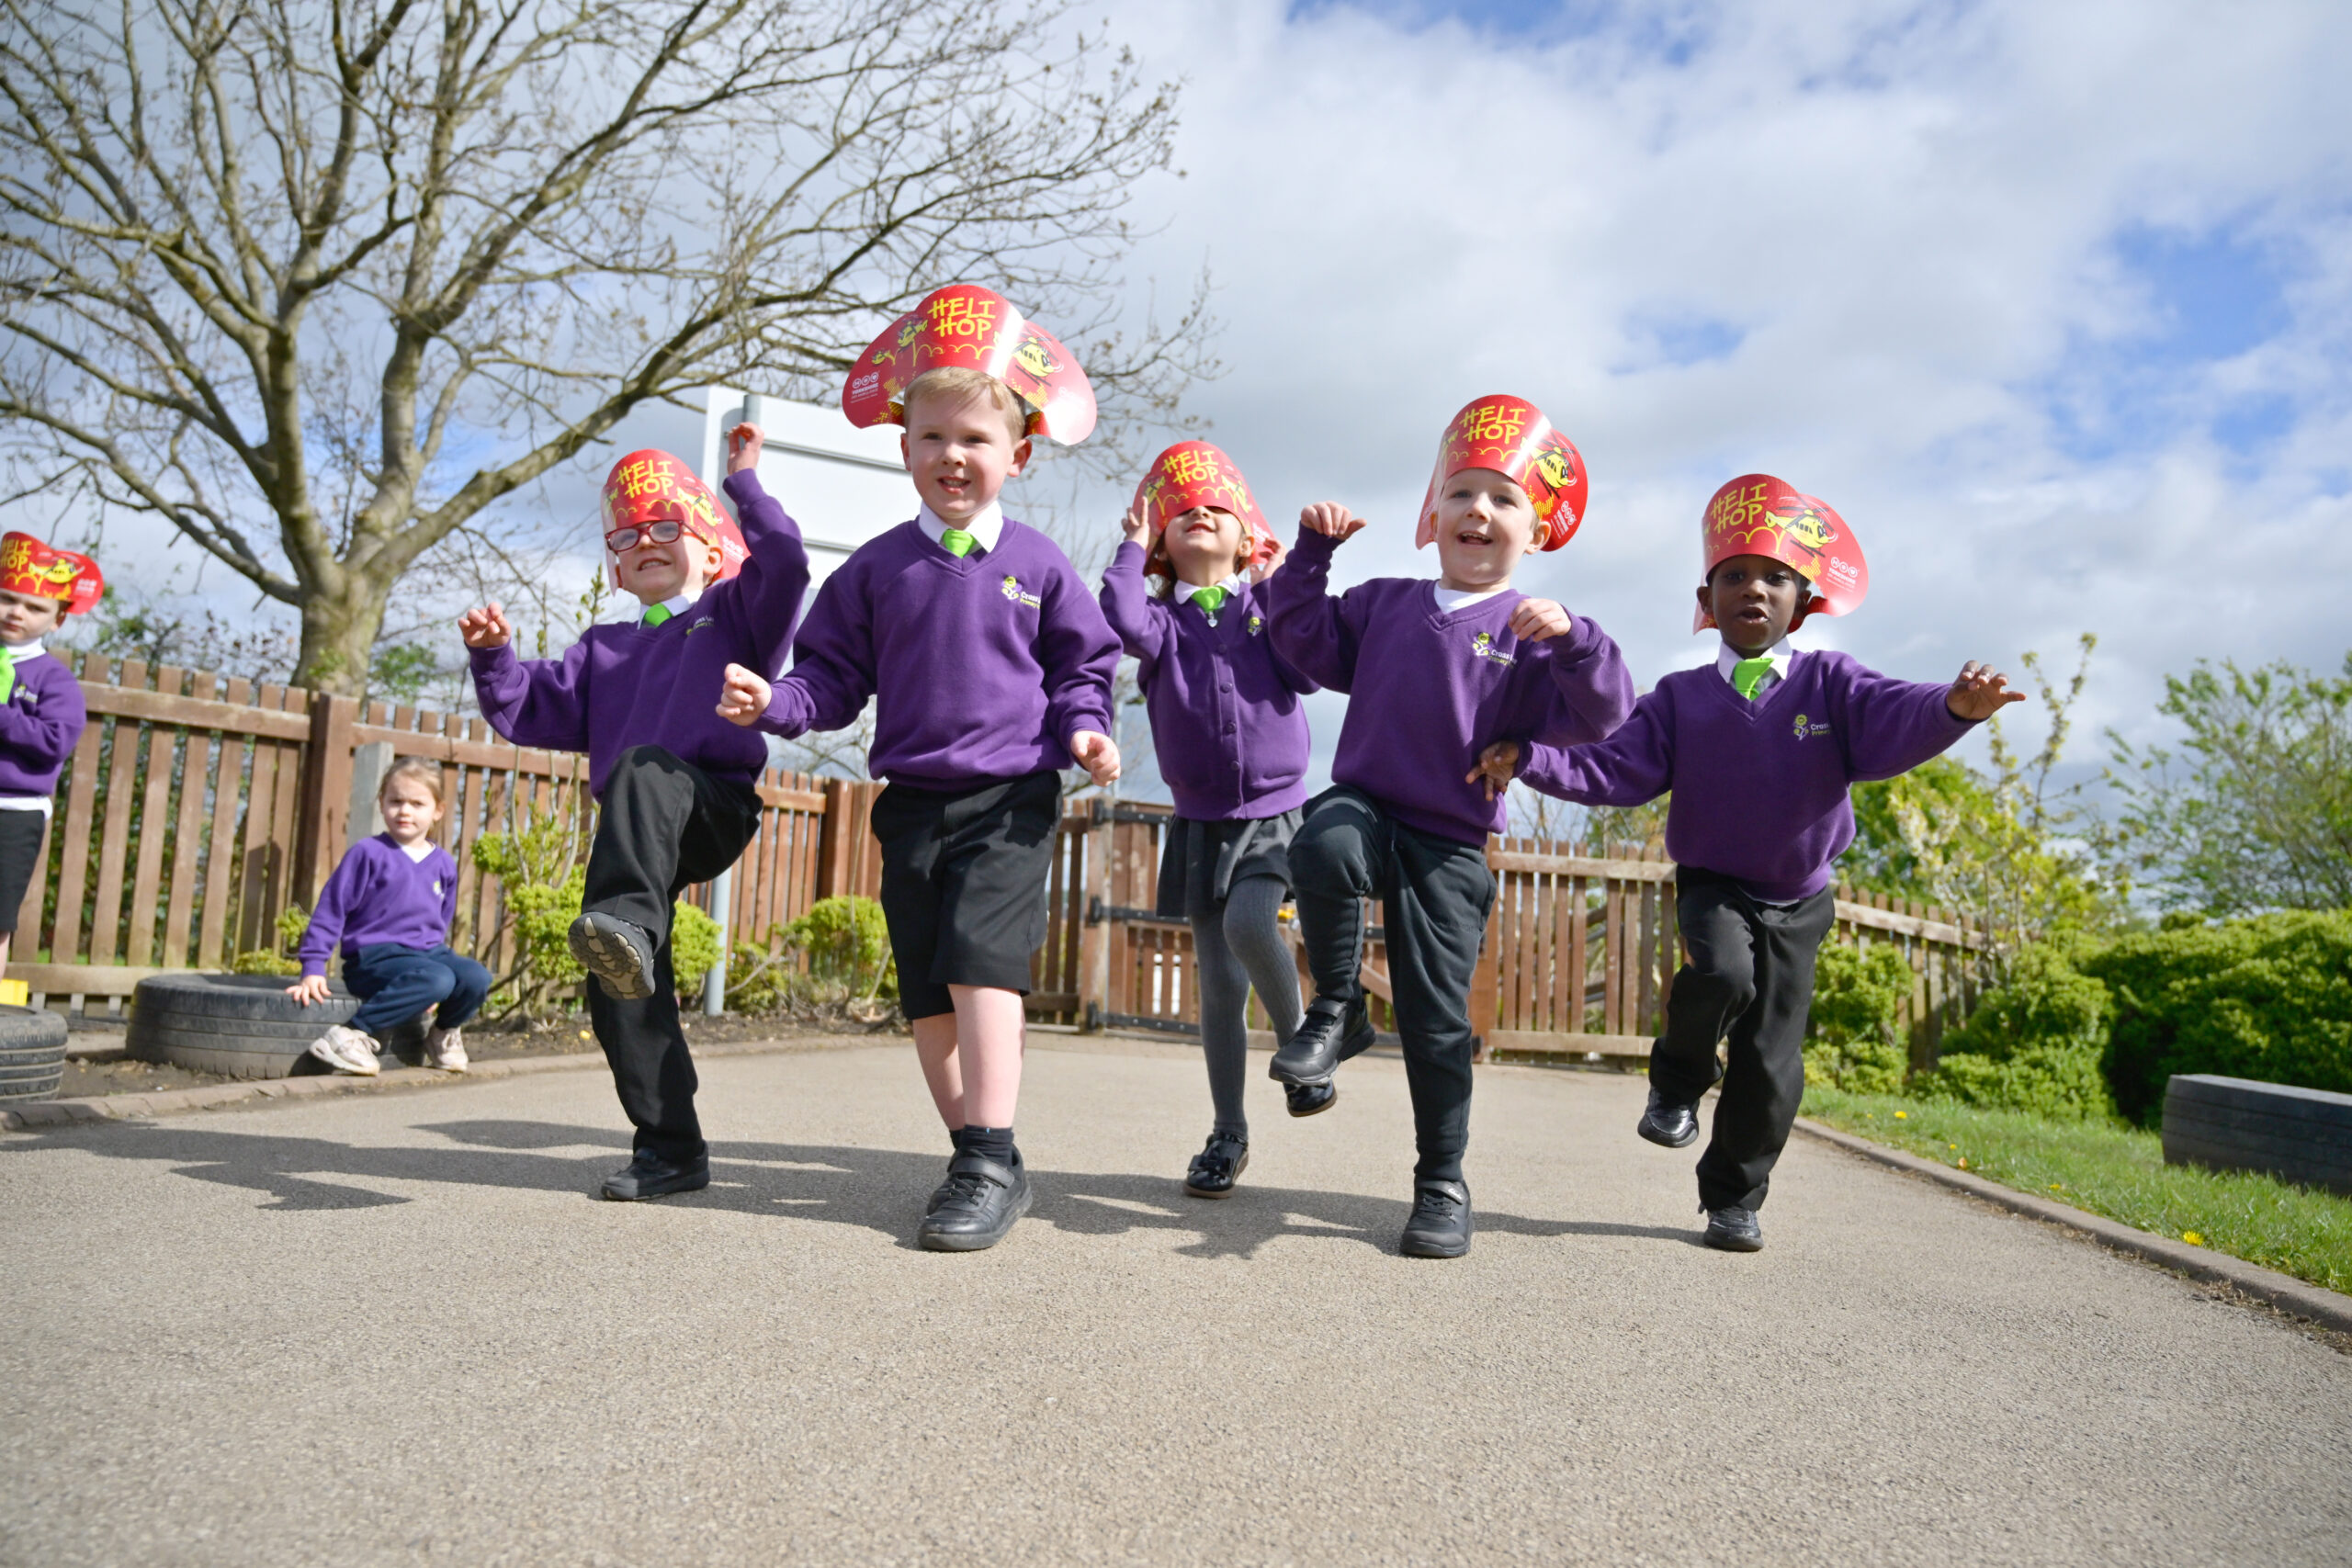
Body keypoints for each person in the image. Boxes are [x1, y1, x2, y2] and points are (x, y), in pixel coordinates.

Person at [1472, 472, 2022, 1252]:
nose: (1753, 590)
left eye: (1774, 578)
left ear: (1804, 600)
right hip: (1714, 882)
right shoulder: (1679, 698)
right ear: (1707, 601)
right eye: (1734, 577)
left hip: (1801, 897)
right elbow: (1611, 765)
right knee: (1723, 973)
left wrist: (1954, 708)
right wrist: (1529, 758)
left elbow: (1899, 713)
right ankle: (1675, 1081)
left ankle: (1733, 1195)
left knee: (1770, 1059)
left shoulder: (1833, 685)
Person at [718, 284, 1120, 1252]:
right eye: (933, 438)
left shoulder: (1042, 565)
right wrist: (774, 702)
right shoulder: (872, 572)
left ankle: (983, 1157)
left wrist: (1087, 730)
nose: (953, 455)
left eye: (975, 441)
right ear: (905, 451)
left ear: (1015, 457)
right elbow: (828, 682)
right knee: (928, 995)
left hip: (1013, 799)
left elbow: (1084, 668)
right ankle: (983, 1159)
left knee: (984, 970)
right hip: (912, 807)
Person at [1265, 394, 1634, 1258]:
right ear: (1431, 518)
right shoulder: (1386, 603)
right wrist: (1310, 557)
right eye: (1464, 494)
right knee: (1320, 842)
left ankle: (1441, 1181)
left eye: (1505, 501)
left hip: (1451, 837)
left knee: (1435, 1020)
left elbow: (1604, 714)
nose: (1482, 512)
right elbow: (1302, 641)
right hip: (1369, 802)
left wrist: (1578, 638)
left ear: (1535, 535)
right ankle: (1336, 1009)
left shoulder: (1532, 630)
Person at [461, 421, 808, 1201]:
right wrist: (493, 657)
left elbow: (785, 562)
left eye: (666, 527)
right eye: (628, 536)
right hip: (635, 832)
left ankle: (625, 924)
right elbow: (527, 708)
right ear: (615, 568)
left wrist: (744, 481)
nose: (646, 540)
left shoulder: (734, 615)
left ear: (712, 550)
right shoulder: (602, 649)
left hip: (712, 803)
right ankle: (669, 1146)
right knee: (611, 975)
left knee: (646, 769)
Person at [1100, 441, 1322, 1201]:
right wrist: (1129, 546)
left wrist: (1289, 571)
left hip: (1274, 814)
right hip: (1200, 820)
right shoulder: (1161, 623)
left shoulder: (1267, 610)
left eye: (1217, 507)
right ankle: (1228, 1132)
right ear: (1163, 541)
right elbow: (1121, 618)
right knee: (1219, 988)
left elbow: (1310, 653)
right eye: (1181, 511)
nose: (1199, 512)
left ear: (1244, 534)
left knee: (1255, 924)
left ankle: (1301, 1045)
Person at [288, 757, 489, 1075]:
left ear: (437, 810)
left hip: (427, 956)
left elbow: (440, 921)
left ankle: (442, 1035)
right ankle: (349, 1034)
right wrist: (313, 966)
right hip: (373, 959)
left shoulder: (444, 865)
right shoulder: (367, 854)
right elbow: (332, 909)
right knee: (438, 979)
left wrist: (428, 985)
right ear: (382, 804)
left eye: (417, 803)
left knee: (476, 977)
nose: (405, 810)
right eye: (396, 801)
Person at [0, 533, 99, 976]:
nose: (16, 612)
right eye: (7, 599)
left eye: (34, 607)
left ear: (58, 619)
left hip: (13, 813)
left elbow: (54, 741)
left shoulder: (53, 680)